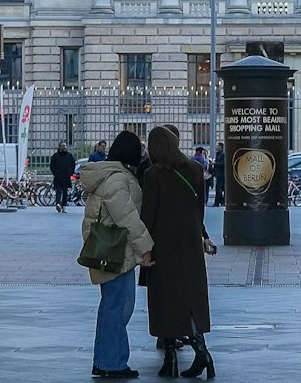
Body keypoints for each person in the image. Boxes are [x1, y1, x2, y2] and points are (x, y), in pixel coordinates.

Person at [140, 126, 214, 379]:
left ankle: (170, 358)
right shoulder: (195, 169)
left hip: (162, 245)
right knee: (191, 299)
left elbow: (148, 215)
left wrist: (144, 250)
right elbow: (199, 209)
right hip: (189, 243)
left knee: (164, 300)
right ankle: (201, 351)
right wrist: (199, 235)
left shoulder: (153, 175)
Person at [80, 132, 155, 380]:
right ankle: (112, 363)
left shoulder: (110, 174)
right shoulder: (118, 179)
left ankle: (104, 360)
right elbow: (127, 217)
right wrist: (145, 247)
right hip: (116, 251)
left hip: (110, 249)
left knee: (110, 307)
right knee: (119, 308)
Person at [51, 141, 78, 214]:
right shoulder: (55, 156)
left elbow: (73, 164)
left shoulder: (69, 155)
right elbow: (52, 165)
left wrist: (70, 172)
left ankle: (64, 206)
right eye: (62, 146)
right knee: (58, 191)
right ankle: (58, 203)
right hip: (58, 176)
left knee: (65, 192)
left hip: (66, 176)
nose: (64, 147)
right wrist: (55, 172)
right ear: (59, 147)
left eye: (65, 146)